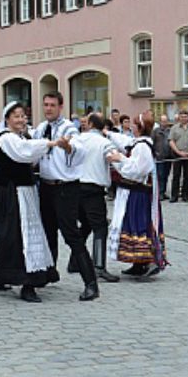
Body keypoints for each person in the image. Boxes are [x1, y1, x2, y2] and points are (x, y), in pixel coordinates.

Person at [0, 102, 63, 302]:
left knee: (14, 234)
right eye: (17, 116)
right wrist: (48, 143)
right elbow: (24, 153)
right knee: (17, 235)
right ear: (7, 119)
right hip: (11, 192)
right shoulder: (6, 138)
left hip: (24, 190)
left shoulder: (22, 137)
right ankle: (26, 282)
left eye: (23, 116)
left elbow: (31, 157)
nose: (21, 120)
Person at [33, 91, 98, 301]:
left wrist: (67, 146)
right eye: (46, 105)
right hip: (46, 186)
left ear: (60, 107)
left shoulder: (69, 128)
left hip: (65, 188)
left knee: (71, 235)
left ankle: (91, 283)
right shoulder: (42, 128)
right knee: (47, 232)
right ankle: (48, 273)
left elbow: (79, 150)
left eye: (52, 105)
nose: (48, 108)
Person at [106, 111, 167, 277]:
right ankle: (137, 263)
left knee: (139, 224)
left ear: (139, 127)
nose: (131, 127)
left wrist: (119, 160)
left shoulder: (142, 147)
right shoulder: (139, 143)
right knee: (131, 224)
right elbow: (124, 141)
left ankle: (146, 260)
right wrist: (108, 133)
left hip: (138, 193)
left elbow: (135, 170)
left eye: (134, 124)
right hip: (134, 191)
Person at [72, 113, 119, 282]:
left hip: (76, 186)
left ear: (90, 124)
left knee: (84, 225)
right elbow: (113, 157)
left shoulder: (77, 139)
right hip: (93, 189)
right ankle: (99, 266)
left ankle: (75, 260)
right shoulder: (104, 142)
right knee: (100, 227)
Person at [169, 110, 188, 203]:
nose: (183, 118)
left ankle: (185, 195)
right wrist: (178, 152)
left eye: (185, 117)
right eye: (181, 117)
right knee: (176, 175)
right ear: (179, 118)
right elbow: (171, 141)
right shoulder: (174, 128)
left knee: (187, 176)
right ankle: (174, 196)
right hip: (177, 154)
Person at [152, 114, 172, 201]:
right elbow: (151, 142)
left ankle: (163, 192)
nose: (164, 123)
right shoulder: (155, 131)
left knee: (166, 175)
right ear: (160, 122)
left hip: (169, 156)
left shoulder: (170, 131)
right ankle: (159, 193)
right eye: (163, 121)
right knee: (160, 175)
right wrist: (155, 152)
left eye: (165, 121)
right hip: (159, 157)